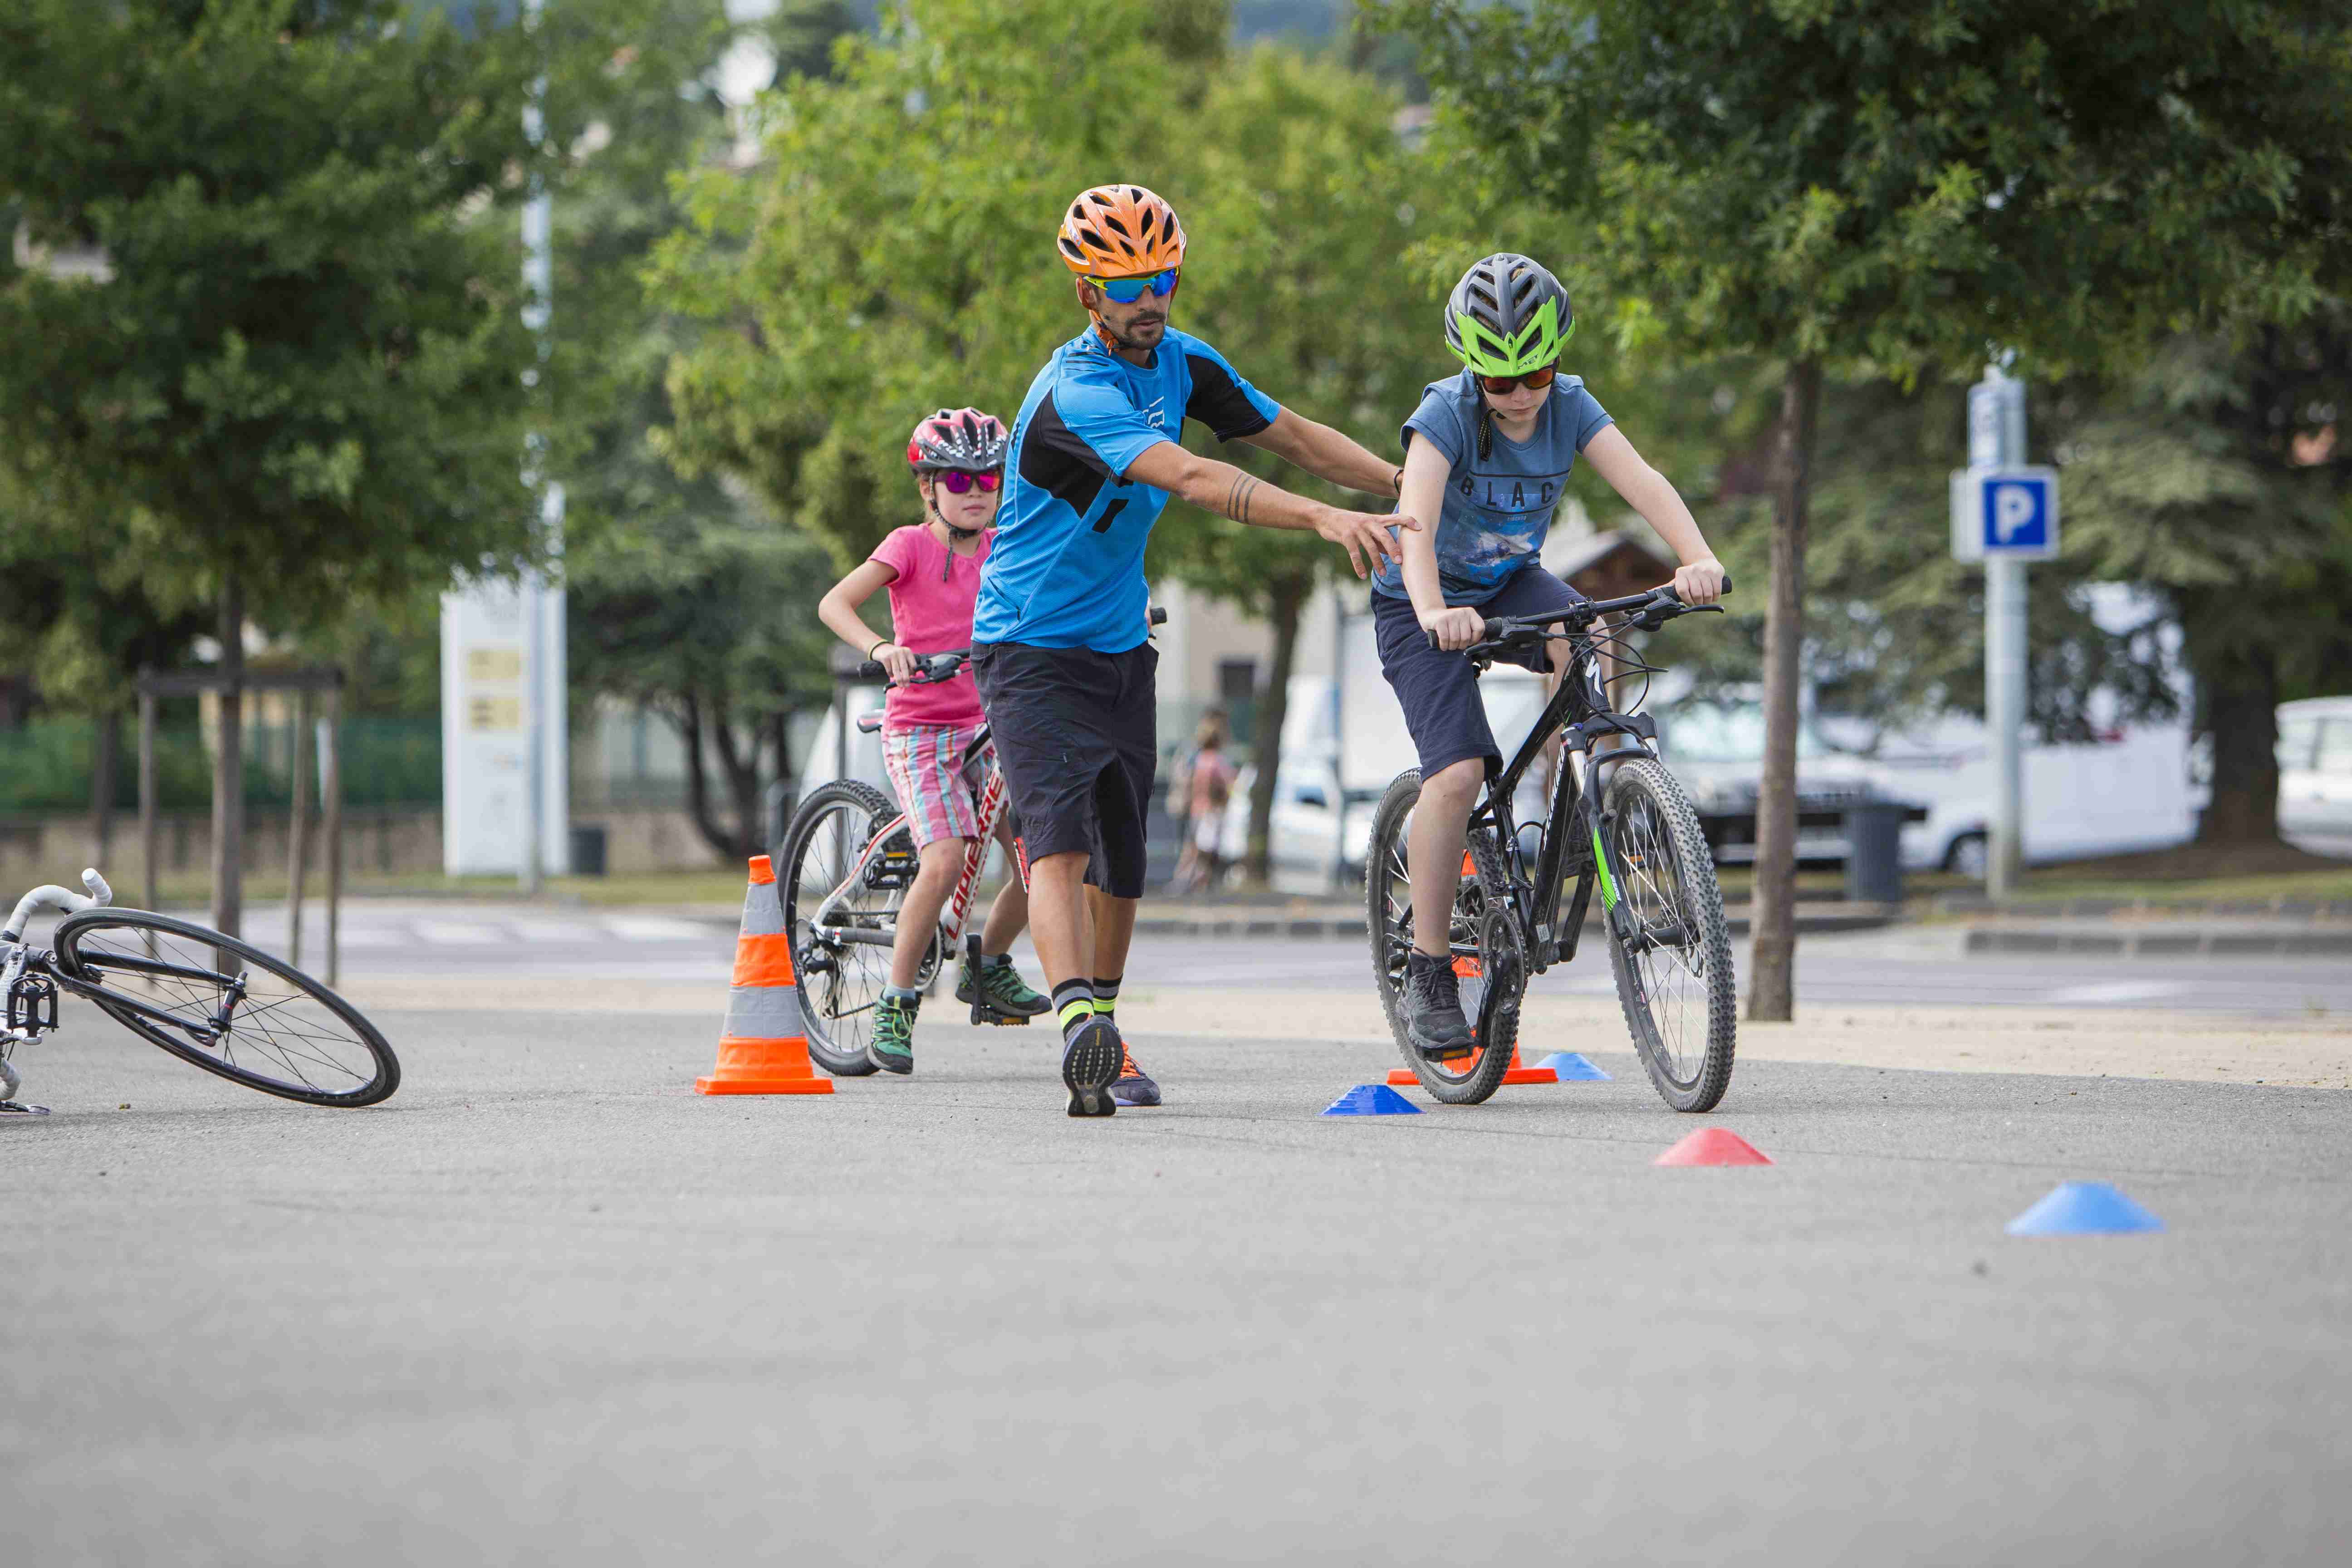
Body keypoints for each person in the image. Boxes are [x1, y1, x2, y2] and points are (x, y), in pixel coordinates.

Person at [971, 182, 1414, 1117]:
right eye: (1129, 285)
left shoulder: (1185, 363)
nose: (1152, 300)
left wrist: (1409, 488)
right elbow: (1196, 477)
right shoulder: (1075, 390)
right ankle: (1076, 1025)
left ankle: (1105, 1021)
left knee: (1125, 862)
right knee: (1056, 847)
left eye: (1164, 278)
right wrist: (1325, 521)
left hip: (1120, 643)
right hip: (1027, 647)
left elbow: (1290, 436)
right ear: (1088, 293)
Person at [1377, 253, 1726, 1060]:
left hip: (1507, 580)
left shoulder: (1569, 406)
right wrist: (1433, 609)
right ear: (1471, 372)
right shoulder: (1443, 414)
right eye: (1498, 382)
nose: (1520, 394)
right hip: (1418, 600)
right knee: (1457, 775)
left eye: (1535, 371)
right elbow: (1414, 524)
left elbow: (1639, 479)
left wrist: (1694, 557)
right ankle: (1431, 966)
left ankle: (1596, 788)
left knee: (1592, 629)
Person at [815, 408, 1051, 1074]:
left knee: (1048, 859)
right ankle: (896, 1002)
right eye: (959, 478)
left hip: (991, 722)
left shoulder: (1008, 546)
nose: (977, 489)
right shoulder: (909, 546)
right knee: (944, 860)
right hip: (921, 727)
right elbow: (836, 604)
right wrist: (883, 647)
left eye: (989, 477)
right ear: (929, 488)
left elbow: (1053, 598)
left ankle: (989, 964)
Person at [1172, 713, 1235, 894]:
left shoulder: (1198, 760)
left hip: (1195, 810)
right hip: (1211, 812)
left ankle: (1182, 882)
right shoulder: (1217, 761)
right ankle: (1200, 884)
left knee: (1192, 848)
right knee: (1207, 852)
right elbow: (1230, 783)